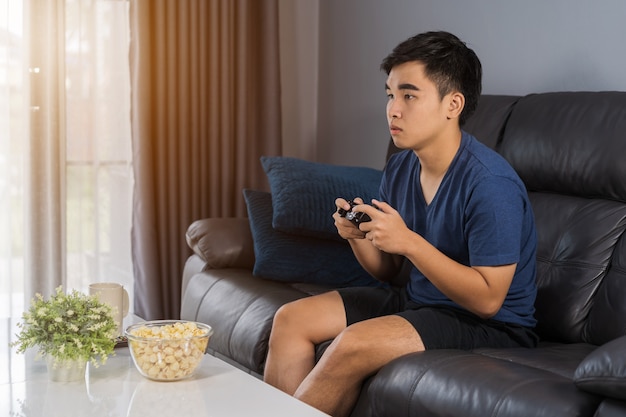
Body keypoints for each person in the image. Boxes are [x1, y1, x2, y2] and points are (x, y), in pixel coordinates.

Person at [263, 30, 538, 417]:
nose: (393, 109)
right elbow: (389, 271)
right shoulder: (402, 166)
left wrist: (409, 242)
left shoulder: (491, 184)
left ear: (453, 104)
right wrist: (359, 237)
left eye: (409, 95)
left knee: (352, 342)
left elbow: (489, 300)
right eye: (391, 94)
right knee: (291, 318)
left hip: (489, 326)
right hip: (419, 302)